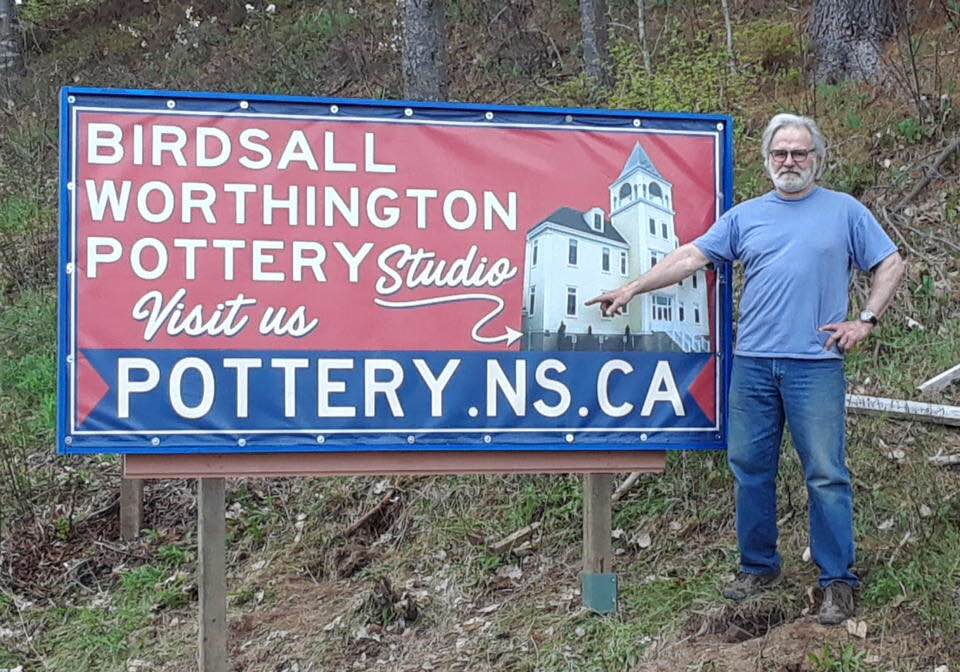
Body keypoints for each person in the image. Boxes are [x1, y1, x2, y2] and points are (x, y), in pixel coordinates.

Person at [586, 113, 905, 625]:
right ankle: (759, 566)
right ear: (767, 161)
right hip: (753, 366)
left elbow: (890, 263)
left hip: (815, 366)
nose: (790, 162)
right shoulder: (745, 217)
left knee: (825, 475)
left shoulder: (844, 212)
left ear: (817, 160)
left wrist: (865, 320)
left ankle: (837, 582)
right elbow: (691, 256)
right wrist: (630, 289)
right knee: (750, 470)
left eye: (800, 153)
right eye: (781, 153)